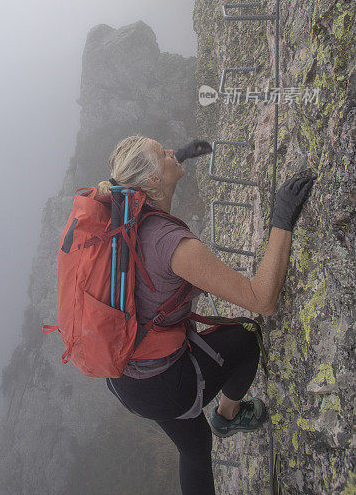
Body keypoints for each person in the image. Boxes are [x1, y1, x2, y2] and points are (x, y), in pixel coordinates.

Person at [98, 134, 316, 495]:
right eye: (163, 153)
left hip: (125, 378)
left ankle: (216, 423)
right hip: (165, 384)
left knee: (195, 448)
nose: (172, 150)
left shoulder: (120, 221)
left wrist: (173, 161)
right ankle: (228, 416)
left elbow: (137, 177)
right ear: (151, 181)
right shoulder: (173, 245)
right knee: (246, 335)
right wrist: (282, 218)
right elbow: (261, 300)